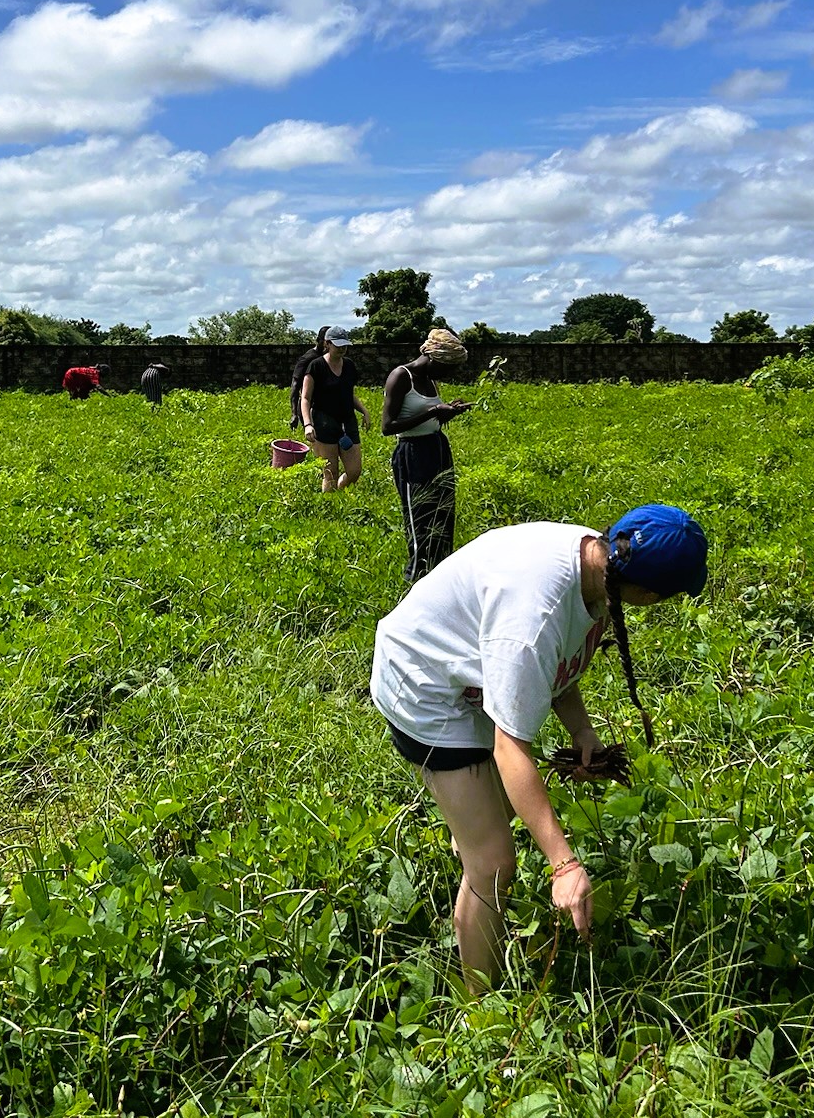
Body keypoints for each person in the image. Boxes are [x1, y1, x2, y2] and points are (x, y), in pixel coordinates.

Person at [371, 505, 708, 994]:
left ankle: (469, 896)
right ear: (650, 595)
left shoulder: (597, 560)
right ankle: (478, 1009)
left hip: (468, 674)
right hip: (423, 686)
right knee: (493, 862)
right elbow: (511, 748)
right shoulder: (531, 622)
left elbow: (558, 662)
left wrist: (583, 733)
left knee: (493, 822)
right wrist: (564, 865)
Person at [382, 327, 473, 582]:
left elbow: (431, 417)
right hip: (412, 454)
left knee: (443, 517)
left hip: (437, 448)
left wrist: (446, 413)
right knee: (421, 519)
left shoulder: (431, 379)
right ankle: (417, 578)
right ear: (433, 359)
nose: (449, 374)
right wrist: (433, 411)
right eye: (447, 368)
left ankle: (440, 576)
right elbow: (387, 427)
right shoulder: (401, 377)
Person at [300, 327, 368, 491]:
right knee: (330, 472)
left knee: (354, 471)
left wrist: (364, 411)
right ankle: (329, 509)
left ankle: (339, 489)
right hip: (324, 422)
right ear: (327, 344)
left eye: (345, 345)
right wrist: (308, 424)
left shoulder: (349, 365)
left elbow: (348, 394)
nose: (342, 349)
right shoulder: (316, 366)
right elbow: (305, 398)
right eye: (338, 345)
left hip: (347, 422)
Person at [289, 327, 330, 431]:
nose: (327, 346)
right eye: (326, 342)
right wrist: (294, 414)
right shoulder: (307, 359)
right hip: (310, 408)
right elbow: (295, 386)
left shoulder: (331, 359)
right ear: (319, 341)